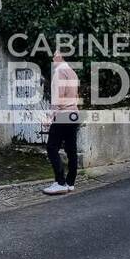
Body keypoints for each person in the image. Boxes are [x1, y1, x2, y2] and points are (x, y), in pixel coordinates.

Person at [42, 51, 80, 195]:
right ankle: (70, 182)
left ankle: (60, 182)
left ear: (61, 56)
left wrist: (50, 117)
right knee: (71, 149)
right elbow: (75, 97)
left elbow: (58, 98)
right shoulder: (72, 72)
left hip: (63, 115)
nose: (53, 57)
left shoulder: (59, 72)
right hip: (74, 114)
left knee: (52, 147)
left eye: (55, 54)